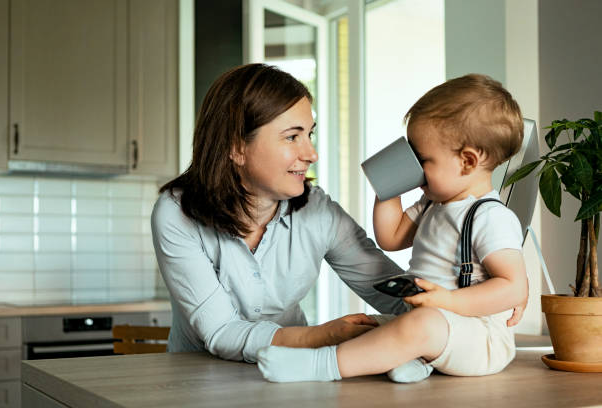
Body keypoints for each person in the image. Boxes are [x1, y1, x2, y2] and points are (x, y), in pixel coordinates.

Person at [151, 63, 431, 378]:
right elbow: (220, 332)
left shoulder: (318, 211)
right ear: (236, 146)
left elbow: (388, 291)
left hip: (291, 378)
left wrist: (468, 303)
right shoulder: (176, 212)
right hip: (196, 381)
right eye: (292, 137)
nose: (311, 153)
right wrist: (323, 337)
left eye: (308, 134)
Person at [257, 73, 529, 383]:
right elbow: (391, 237)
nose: (414, 167)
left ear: (467, 161)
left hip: (479, 339)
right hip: (435, 324)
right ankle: (415, 361)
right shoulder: (433, 205)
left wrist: (447, 301)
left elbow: (514, 286)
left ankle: (319, 367)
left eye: (421, 159)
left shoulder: (489, 216)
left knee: (420, 326)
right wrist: (390, 186)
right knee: (367, 328)